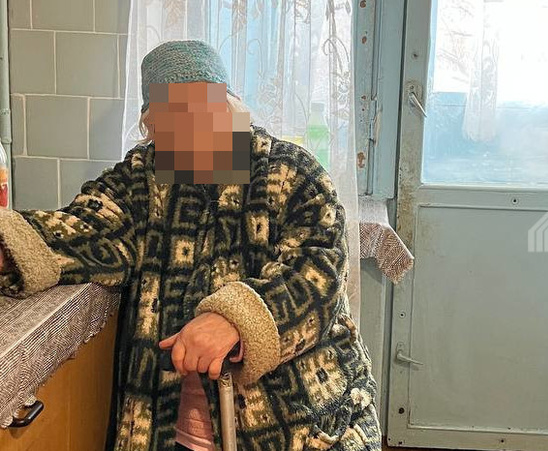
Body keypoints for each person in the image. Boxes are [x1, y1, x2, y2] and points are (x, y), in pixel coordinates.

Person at [0, 40, 380, 451]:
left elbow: (318, 273)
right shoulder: (142, 178)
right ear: (151, 128)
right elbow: (88, 225)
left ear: (231, 108)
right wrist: (11, 243)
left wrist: (237, 319)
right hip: (169, 429)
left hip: (296, 424)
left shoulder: (290, 173)